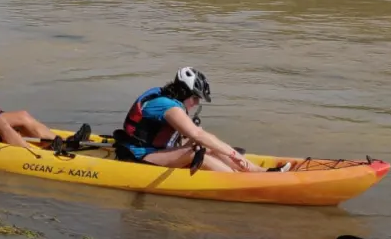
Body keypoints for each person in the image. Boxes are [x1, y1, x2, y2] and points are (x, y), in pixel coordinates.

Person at [113, 67, 290, 173]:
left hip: (157, 150)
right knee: (198, 153)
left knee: (204, 145)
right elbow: (197, 134)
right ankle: (239, 179)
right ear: (184, 93)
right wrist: (232, 154)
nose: (196, 102)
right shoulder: (167, 106)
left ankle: (258, 172)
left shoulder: (172, 102)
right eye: (195, 98)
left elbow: (189, 136)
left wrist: (221, 150)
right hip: (139, 157)